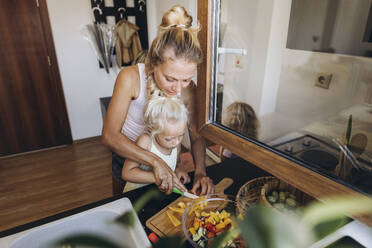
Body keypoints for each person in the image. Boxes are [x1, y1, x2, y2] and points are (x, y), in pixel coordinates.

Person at [102, 5, 214, 195]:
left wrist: (200, 172)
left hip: (169, 159)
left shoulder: (189, 91)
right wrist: (155, 162)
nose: (177, 89)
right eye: (170, 79)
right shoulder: (130, 78)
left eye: (186, 80)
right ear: (154, 64)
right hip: (129, 158)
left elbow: (196, 135)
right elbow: (109, 136)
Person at [122, 97, 190, 192]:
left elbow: (176, 162)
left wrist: (178, 170)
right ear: (152, 128)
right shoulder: (145, 142)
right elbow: (127, 173)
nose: (177, 142)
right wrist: (157, 177)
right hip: (137, 195)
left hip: (157, 194)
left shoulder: (175, 143)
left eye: (181, 136)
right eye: (169, 139)